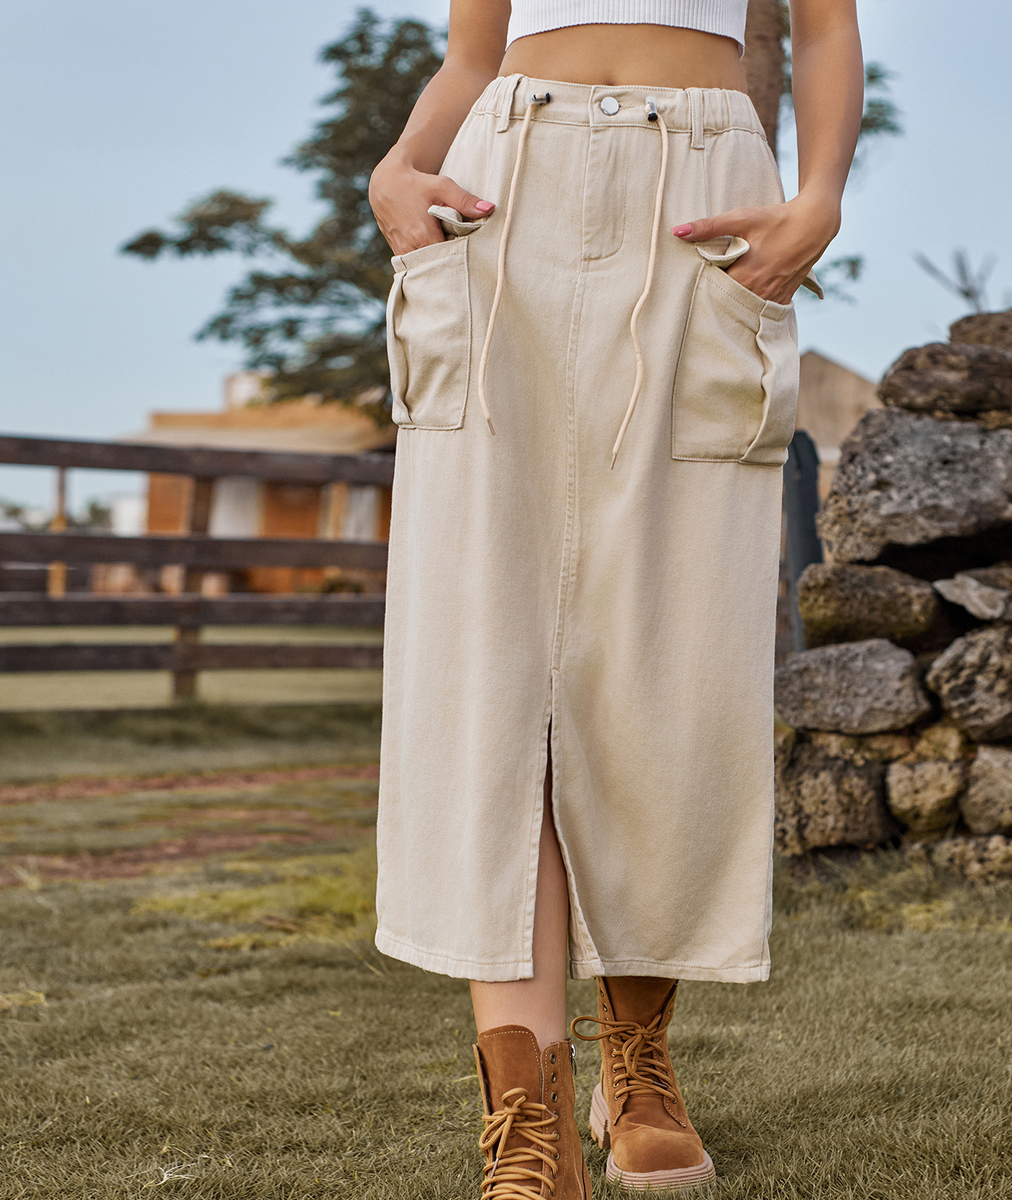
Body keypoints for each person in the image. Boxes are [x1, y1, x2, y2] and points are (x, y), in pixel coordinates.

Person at [368, 2, 862, 1194]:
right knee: (490, 671)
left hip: (701, 192)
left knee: (671, 661)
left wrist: (821, 196)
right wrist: (399, 168)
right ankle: (526, 1108)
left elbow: (825, 24)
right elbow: (472, 53)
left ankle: (636, 1062)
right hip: (502, 188)